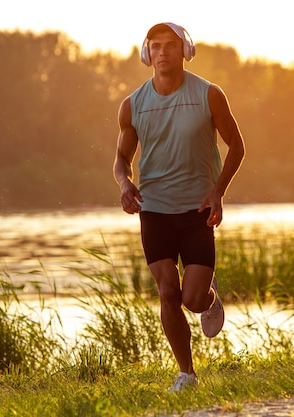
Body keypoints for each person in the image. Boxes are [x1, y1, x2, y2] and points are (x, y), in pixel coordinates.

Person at [113, 22, 245, 392]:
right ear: (147, 53)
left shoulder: (209, 95)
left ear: (185, 50)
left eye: (170, 45)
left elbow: (237, 147)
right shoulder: (133, 105)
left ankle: (208, 298)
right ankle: (187, 373)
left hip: (198, 210)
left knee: (190, 298)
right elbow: (121, 159)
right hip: (154, 210)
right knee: (168, 291)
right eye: (155, 46)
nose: (163, 53)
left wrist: (218, 192)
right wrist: (125, 184)